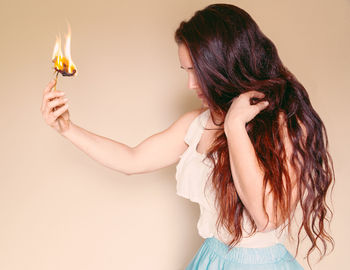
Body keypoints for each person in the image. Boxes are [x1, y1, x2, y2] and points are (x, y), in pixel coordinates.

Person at [40, 4, 334, 270]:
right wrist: (67, 129)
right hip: (210, 259)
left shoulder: (286, 124)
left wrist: (234, 128)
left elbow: (266, 216)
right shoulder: (197, 123)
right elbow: (132, 159)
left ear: (226, 65)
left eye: (197, 72)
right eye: (186, 71)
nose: (191, 84)